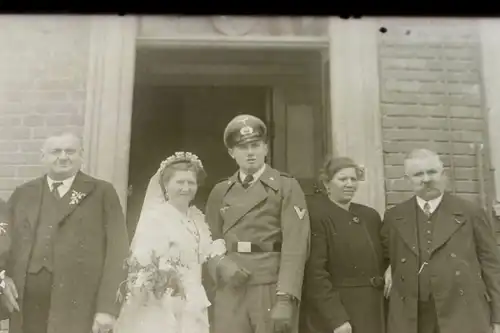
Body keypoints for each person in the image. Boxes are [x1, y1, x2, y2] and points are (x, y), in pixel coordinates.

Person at [0, 132, 130, 333]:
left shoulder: (102, 193)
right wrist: (2, 277)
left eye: (70, 151)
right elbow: (4, 239)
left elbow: (118, 252)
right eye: (55, 152)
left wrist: (107, 308)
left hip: (79, 305)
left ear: (81, 156)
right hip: (26, 304)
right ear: (43, 157)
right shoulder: (24, 193)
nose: (63, 157)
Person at [205, 114, 310, 333]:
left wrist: (285, 297)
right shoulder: (221, 191)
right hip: (231, 285)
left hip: (269, 285)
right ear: (232, 153)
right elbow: (208, 239)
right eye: (243, 148)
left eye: (255, 145)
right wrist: (220, 265)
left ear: (265, 148)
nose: (250, 152)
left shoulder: (286, 186)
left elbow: (296, 245)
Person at [381, 148, 500, 333]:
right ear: (408, 180)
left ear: (443, 174)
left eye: (432, 172)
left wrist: (498, 317)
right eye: (418, 174)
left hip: (461, 313)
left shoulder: (470, 213)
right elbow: (386, 257)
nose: (426, 179)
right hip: (412, 318)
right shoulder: (394, 217)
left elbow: (492, 266)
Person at [113, 151, 226, 333]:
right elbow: (143, 264)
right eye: (179, 182)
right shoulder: (156, 218)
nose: (186, 188)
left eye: (191, 183)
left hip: (195, 301)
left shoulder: (197, 218)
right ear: (166, 185)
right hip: (162, 303)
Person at [300, 156, 387, 333]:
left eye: (353, 179)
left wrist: (391, 267)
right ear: (327, 183)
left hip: (375, 309)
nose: (350, 184)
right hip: (341, 312)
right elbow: (316, 274)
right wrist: (336, 319)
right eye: (342, 179)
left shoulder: (369, 216)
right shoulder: (318, 216)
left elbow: (387, 252)